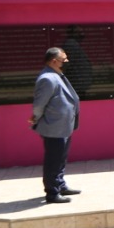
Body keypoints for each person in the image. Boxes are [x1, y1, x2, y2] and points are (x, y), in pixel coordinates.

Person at [30, 47, 81, 203]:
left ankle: (60, 185)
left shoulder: (56, 75)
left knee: (61, 158)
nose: (67, 62)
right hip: (53, 127)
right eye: (64, 59)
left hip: (64, 126)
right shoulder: (47, 78)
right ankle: (52, 193)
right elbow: (39, 104)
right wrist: (35, 118)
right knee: (53, 160)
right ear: (54, 61)